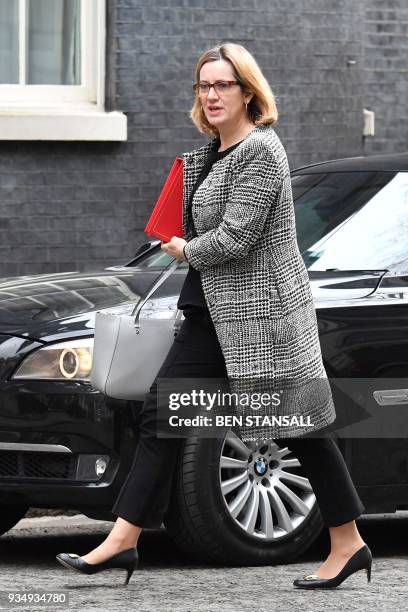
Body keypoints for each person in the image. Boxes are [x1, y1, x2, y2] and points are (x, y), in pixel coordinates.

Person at [56, 42, 372, 589]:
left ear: (248, 92)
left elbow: (233, 240)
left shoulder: (264, 153)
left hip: (262, 320)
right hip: (206, 316)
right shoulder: (204, 155)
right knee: (162, 418)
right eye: (204, 86)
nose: (211, 95)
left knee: (299, 428)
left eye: (223, 85)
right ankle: (123, 539)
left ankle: (348, 543)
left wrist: (179, 250)